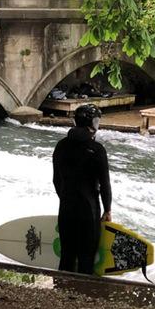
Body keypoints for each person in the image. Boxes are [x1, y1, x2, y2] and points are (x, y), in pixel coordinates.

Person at [52, 104, 112, 274]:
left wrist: (65, 197)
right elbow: (105, 184)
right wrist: (107, 210)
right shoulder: (97, 149)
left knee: (67, 256)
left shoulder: (61, 146)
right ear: (92, 123)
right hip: (88, 209)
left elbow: (56, 180)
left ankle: (60, 292)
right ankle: (82, 294)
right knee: (86, 259)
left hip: (66, 207)